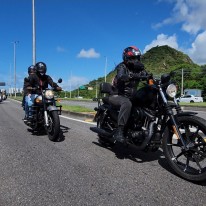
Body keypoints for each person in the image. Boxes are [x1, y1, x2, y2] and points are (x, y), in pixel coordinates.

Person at [109, 46, 148, 143]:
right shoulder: (122, 66)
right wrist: (131, 76)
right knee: (127, 103)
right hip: (118, 95)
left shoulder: (138, 69)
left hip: (131, 97)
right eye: (133, 58)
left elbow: (146, 75)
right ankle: (119, 131)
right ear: (127, 58)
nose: (136, 61)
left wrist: (150, 78)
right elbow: (121, 76)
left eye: (137, 58)